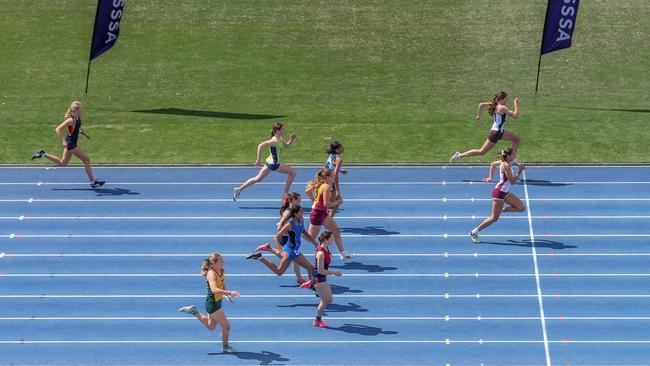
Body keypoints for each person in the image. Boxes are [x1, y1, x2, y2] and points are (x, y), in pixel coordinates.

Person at [31, 101, 105, 188]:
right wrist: (63, 141)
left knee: (63, 163)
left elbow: (77, 128)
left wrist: (85, 134)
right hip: (70, 144)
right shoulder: (70, 120)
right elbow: (58, 129)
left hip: (71, 143)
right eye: (81, 109)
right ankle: (93, 182)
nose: (83, 110)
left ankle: (43, 154)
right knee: (86, 160)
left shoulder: (77, 118)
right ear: (76, 110)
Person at [178, 252, 240, 353]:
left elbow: (222, 283)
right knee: (226, 326)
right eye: (221, 261)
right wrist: (230, 292)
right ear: (214, 263)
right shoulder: (211, 273)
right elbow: (214, 289)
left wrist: (226, 294)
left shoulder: (221, 270)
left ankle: (193, 311)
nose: (223, 262)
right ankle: (226, 347)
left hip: (217, 302)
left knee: (211, 327)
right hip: (212, 304)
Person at [469, 148, 526, 243]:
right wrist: (519, 171)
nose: (515, 156)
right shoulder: (506, 165)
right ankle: (474, 232)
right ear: (508, 156)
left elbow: (493, 164)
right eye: (513, 155)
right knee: (494, 218)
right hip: (499, 193)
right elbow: (512, 181)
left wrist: (490, 177)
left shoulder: (504, 162)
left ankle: (501, 210)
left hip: (505, 192)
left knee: (521, 208)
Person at [246, 205, 318, 278]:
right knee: (309, 268)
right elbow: (276, 237)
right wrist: (280, 250)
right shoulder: (290, 225)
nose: (303, 212)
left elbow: (304, 232)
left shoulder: (300, 221)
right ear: (295, 214)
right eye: (301, 211)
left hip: (294, 250)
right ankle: (312, 284)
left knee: (280, 271)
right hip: (291, 251)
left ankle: (261, 257)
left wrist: (314, 241)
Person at [450, 91, 521, 163]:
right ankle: (459, 155)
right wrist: (516, 104)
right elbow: (516, 115)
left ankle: (512, 159)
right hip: (495, 133)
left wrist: (479, 116)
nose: (507, 100)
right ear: (501, 99)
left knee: (517, 139)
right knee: (482, 151)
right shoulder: (502, 108)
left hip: (500, 131)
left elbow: (481, 105)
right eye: (506, 99)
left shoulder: (494, 105)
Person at [233, 123, 297, 201]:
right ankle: (285, 195)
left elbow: (286, 146)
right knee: (293, 173)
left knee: (257, 179)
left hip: (269, 162)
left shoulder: (280, 138)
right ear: (277, 131)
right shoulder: (274, 141)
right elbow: (260, 145)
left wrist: (292, 140)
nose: (284, 130)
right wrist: (258, 160)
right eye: (283, 129)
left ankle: (238, 190)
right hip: (274, 164)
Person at [305, 168, 355, 260]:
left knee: (336, 230)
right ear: (327, 177)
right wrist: (338, 202)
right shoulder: (326, 187)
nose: (334, 177)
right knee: (310, 238)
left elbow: (307, 191)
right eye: (332, 176)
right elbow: (326, 204)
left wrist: (314, 201)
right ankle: (294, 229)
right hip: (317, 214)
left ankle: (343, 253)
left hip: (322, 212)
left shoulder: (320, 183)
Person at [266, 192, 308, 284]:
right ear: (292, 200)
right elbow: (281, 222)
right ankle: (300, 279)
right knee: (291, 258)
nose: (300, 201)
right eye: (298, 200)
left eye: (300, 200)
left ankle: (299, 278)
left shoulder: (294, 210)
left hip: (291, 238)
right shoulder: (289, 211)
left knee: (292, 258)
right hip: (287, 238)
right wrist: (283, 232)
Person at [310, 231, 342, 328]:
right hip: (319, 278)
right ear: (325, 240)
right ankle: (317, 320)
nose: (333, 240)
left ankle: (311, 284)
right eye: (331, 239)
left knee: (330, 300)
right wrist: (334, 273)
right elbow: (321, 271)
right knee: (325, 300)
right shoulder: (321, 253)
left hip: (321, 278)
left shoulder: (326, 248)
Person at [324, 141, 348, 217]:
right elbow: (335, 176)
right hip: (331, 183)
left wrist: (341, 170)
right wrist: (338, 191)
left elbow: (328, 167)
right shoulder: (339, 159)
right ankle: (327, 222)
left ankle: (328, 222)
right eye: (341, 146)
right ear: (337, 150)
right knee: (335, 203)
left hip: (324, 180)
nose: (343, 147)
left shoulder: (331, 155)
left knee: (333, 204)